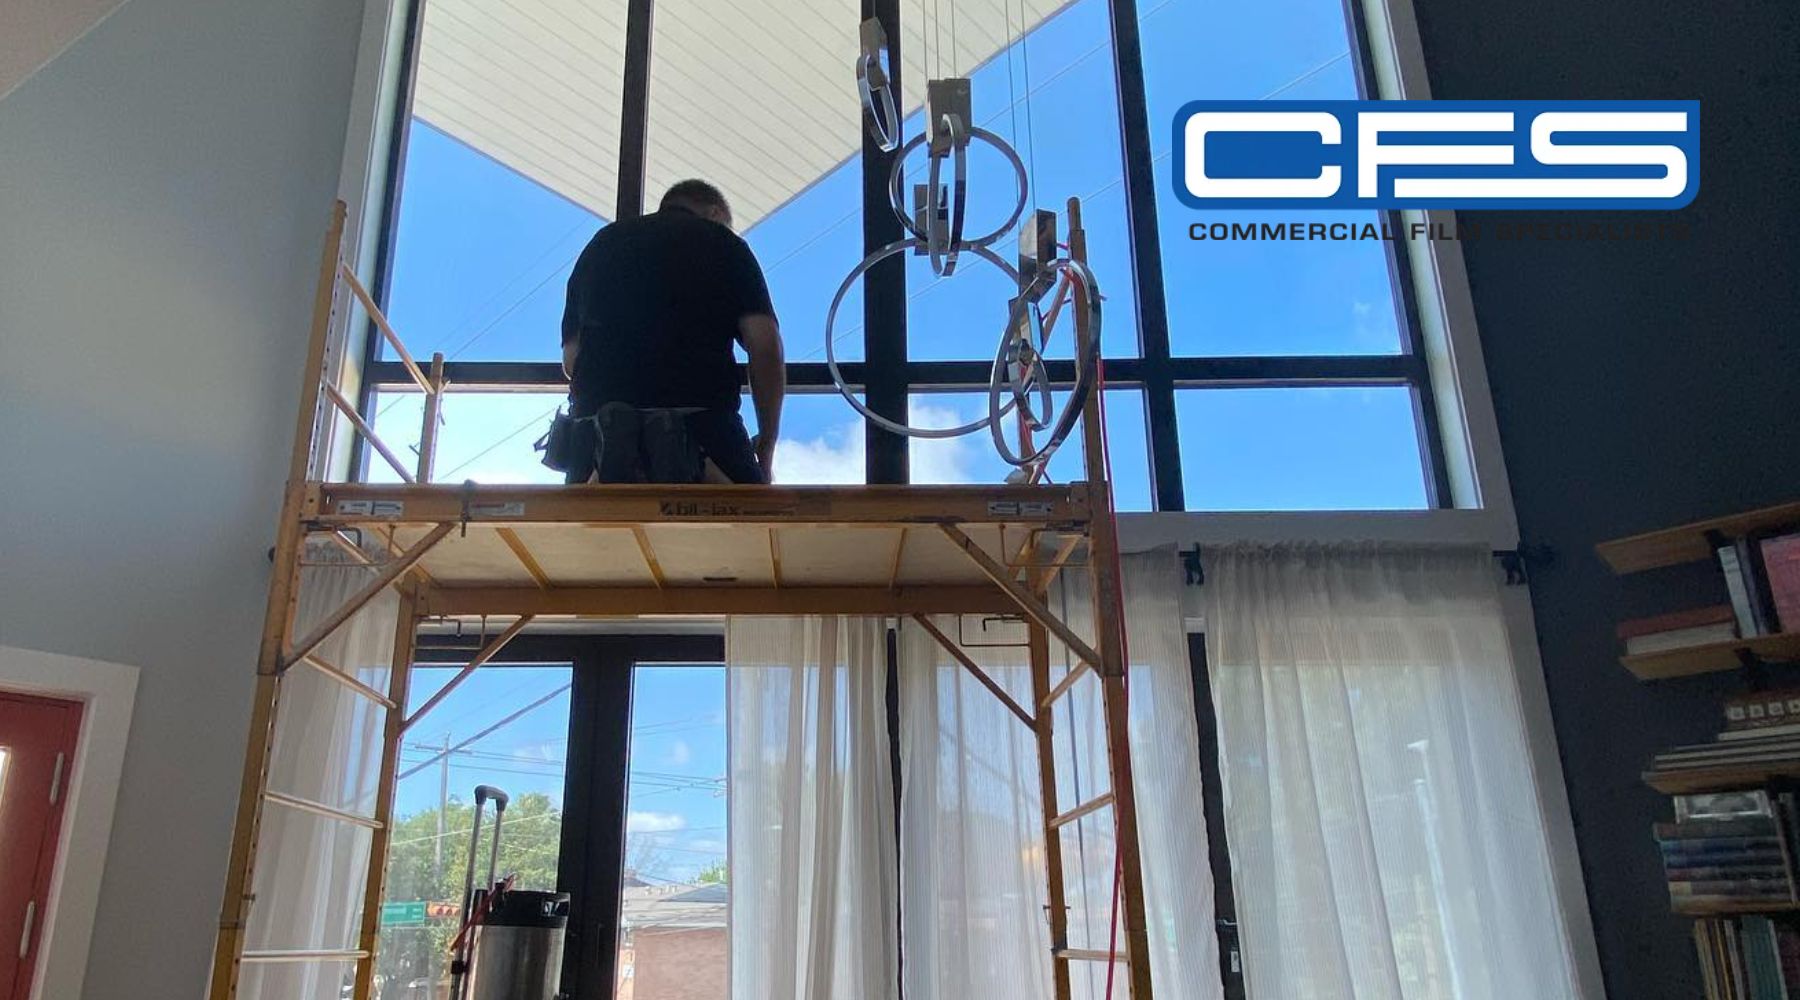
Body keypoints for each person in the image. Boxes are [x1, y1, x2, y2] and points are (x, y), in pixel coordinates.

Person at [560, 179, 785, 484]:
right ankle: (680, 448)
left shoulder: (599, 245)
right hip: (702, 418)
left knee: (589, 519)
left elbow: (572, 360)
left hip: (594, 421)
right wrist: (767, 444)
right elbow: (765, 346)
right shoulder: (724, 243)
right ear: (715, 212)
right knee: (756, 520)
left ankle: (619, 448)